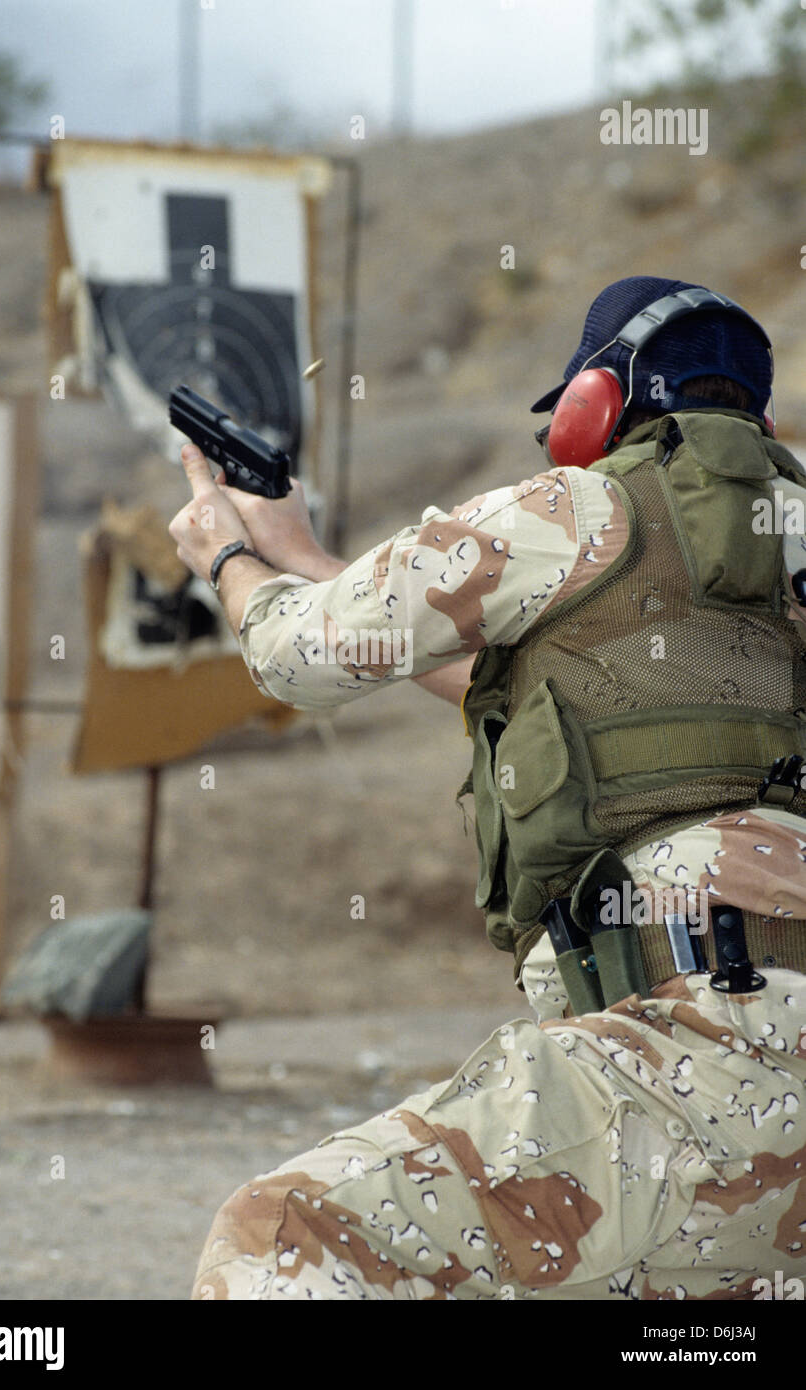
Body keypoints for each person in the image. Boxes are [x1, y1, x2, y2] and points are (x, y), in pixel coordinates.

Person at [169, 276, 806, 1301]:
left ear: (593, 405)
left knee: (277, 1234)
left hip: (673, 1062)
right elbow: (552, 693)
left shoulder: (567, 508)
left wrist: (233, 557)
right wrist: (308, 554)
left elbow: (297, 656)